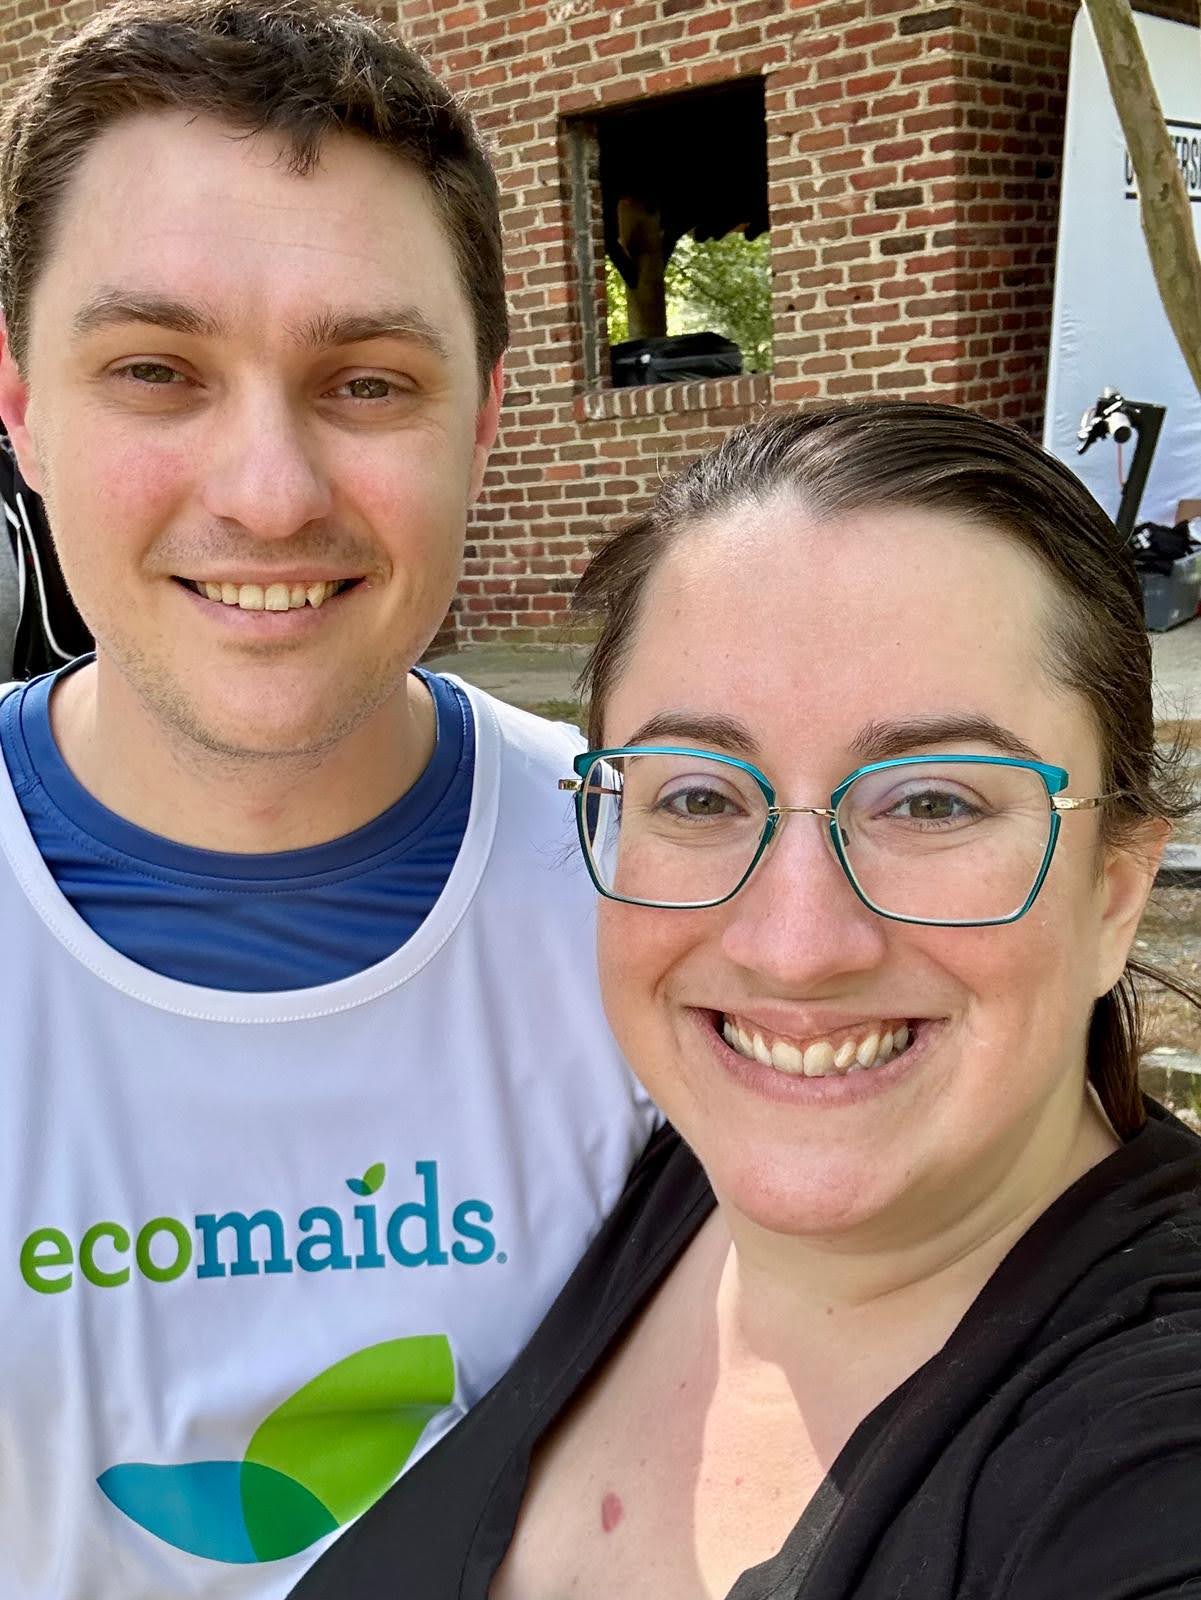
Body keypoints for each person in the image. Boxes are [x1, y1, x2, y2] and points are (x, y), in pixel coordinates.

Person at [293, 402, 1201, 1600]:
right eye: (700, 796)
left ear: (1114, 893)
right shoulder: (667, 1179)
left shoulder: (1148, 1456)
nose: (794, 946)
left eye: (932, 802)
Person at [0, 4, 658, 1596]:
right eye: (155, 370)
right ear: (17, 407)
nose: (271, 494)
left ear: (485, 416)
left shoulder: (662, 885)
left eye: (366, 383)